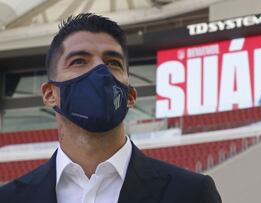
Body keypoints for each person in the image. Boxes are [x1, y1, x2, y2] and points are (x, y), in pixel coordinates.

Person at [0, 13, 222, 203]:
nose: (100, 71)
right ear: (49, 94)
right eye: (79, 61)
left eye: (113, 63)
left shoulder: (191, 193)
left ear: (131, 95)